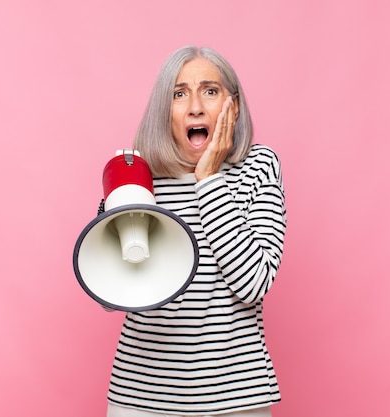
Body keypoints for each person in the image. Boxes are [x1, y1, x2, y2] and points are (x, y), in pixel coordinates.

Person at [106, 45, 287, 417]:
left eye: (210, 90)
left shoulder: (259, 167)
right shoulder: (138, 177)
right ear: (164, 111)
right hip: (141, 400)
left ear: (232, 107)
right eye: (178, 94)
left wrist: (209, 178)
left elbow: (253, 283)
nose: (195, 108)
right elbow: (109, 287)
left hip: (237, 399)